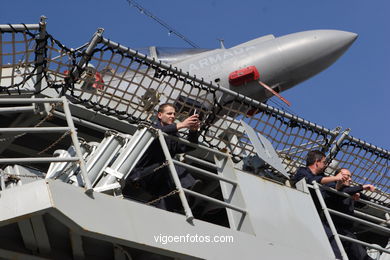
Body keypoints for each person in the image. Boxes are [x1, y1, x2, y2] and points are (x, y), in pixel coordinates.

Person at [125, 103, 201, 210]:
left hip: (159, 175)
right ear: (160, 115)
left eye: (174, 114)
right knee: (170, 163)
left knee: (167, 193)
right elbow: (157, 132)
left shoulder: (173, 134)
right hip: (142, 174)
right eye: (169, 113)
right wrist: (182, 125)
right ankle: (189, 187)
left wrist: (192, 131)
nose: (173, 116)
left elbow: (185, 148)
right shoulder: (152, 127)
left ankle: (187, 199)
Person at [323, 168, 376, 260]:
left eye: (350, 177)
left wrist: (358, 193)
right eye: (347, 176)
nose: (350, 179)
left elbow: (366, 201)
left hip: (345, 230)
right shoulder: (330, 184)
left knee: (358, 252)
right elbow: (341, 190)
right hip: (331, 226)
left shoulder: (351, 192)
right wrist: (361, 187)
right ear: (338, 176)